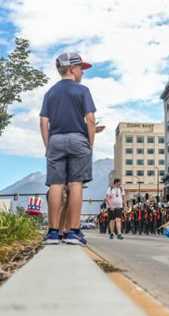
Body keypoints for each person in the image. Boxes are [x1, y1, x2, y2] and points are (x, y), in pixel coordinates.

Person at [40, 52, 95, 245]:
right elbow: (90, 119)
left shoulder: (50, 93)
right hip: (78, 139)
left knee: (55, 185)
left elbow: (43, 121)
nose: (83, 72)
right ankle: (73, 232)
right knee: (75, 184)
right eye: (81, 68)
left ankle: (53, 233)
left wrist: (48, 146)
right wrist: (90, 144)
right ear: (72, 69)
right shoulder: (82, 90)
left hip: (55, 139)